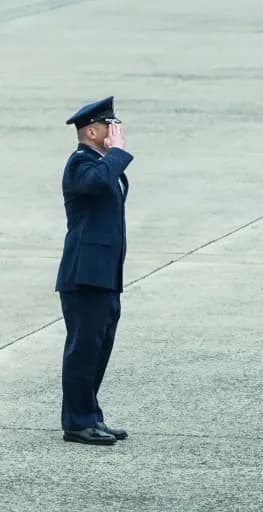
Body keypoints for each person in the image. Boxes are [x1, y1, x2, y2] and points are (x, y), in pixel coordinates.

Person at [55, 96, 133, 445]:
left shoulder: (101, 164)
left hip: (104, 275)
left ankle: (91, 416)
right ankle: (77, 423)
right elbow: (97, 183)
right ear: (91, 131)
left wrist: (113, 156)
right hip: (84, 275)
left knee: (99, 349)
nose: (115, 132)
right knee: (83, 350)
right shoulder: (80, 164)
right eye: (109, 126)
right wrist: (117, 152)